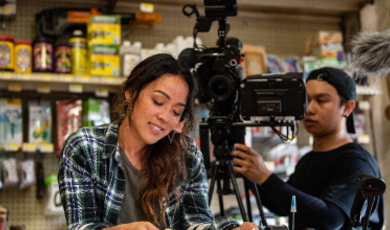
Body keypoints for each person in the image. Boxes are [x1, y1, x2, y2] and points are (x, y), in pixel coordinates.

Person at [58, 53, 258, 230]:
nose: (164, 116)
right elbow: (81, 226)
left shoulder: (187, 154)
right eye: (158, 102)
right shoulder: (84, 147)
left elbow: (196, 222)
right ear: (131, 93)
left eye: (176, 112)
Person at [231, 67, 384, 230]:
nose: (309, 109)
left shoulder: (356, 162)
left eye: (321, 100)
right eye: (306, 100)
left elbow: (330, 219)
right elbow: (283, 206)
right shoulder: (308, 159)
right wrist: (249, 173)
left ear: (347, 107)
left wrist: (265, 178)